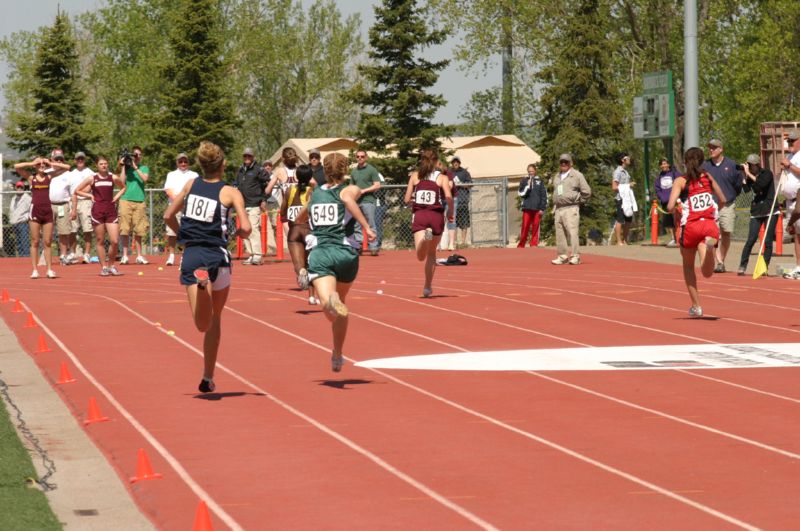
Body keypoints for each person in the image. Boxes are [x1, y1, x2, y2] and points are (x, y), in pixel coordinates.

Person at [164, 141, 251, 393]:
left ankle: (202, 286)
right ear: (223, 165)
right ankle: (207, 376)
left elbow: (168, 215)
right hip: (219, 257)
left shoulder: (191, 185)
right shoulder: (231, 192)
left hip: (192, 254)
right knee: (213, 320)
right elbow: (246, 229)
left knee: (201, 323)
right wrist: (236, 233)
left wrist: (184, 237)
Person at [301, 152, 376, 372]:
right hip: (346, 253)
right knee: (341, 305)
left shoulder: (315, 195)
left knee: (328, 306)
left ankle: (329, 301)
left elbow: (300, 218)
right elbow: (347, 197)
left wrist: (299, 224)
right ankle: (337, 354)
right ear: (345, 170)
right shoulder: (349, 188)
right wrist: (366, 226)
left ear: (324, 170)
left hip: (322, 253)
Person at [667, 147, 725, 317]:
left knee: (688, 266)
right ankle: (708, 248)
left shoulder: (681, 181)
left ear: (685, 162)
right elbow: (722, 199)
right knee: (707, 273)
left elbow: (670, 206)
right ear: (702, 162)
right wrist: (714, 211)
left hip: (690, 226)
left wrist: (678, 206)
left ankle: (696, 306)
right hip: (709, 225)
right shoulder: (707, 177)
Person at [404, 148, 454, 298]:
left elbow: (406, 200)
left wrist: (414, 198)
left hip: (420, 215)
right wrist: (450, 212)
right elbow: (449, 197)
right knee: (431, 254)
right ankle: (427, 287)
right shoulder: (442, 178)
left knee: (420, 256)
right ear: (437, 162)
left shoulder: (415, 176)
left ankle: (424, 240)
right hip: (436, 216)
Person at [14, 155, 71, 278]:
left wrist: (49, 163)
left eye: (43, 165)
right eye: (39, 165)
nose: (41, 166)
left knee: (47, 241)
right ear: (35, 166)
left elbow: (67, 167)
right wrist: (31, 162)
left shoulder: (49, 176)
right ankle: (35, 270)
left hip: (47, 211)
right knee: (35, 241)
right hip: (35, 211)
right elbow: (16, 167)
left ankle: (49, 269)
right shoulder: (31, 178)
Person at [74, 156, 127, 276]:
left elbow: (123, 187)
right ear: (97, 166)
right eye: (101, 164)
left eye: (105, 163)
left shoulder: (112, 177)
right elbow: (77, 190)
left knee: (114, 240)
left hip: (110, 210)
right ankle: (104, 267)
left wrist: (115, 198)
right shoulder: (92, 178)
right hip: (97, 211)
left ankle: (111, 265)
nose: (104, 165)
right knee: (100, 240)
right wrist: (90, 196)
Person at [701, 139, 742, 272]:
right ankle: (716, 261)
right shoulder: (705, 166)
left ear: (721, 149)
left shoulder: (731, 165)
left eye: (714, 148)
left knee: (726, 233)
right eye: (710, 148)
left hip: (728, 205)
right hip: (711, 207)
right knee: (712, 235)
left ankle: (721, 260)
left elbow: (738, 185)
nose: (711, 150)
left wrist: (730, 197)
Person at [281, 164, 318, 304]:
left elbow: (283, 211)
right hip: (309, 230)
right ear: (310, 177)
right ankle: (312, 296)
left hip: (294, 230)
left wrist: (288, 222)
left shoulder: (289, 189)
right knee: (312, 265)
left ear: (296, 176)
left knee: (300, 266)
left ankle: (300, 272)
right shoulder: (313, 191)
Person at [737, 154, 777, 276]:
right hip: (756, 210)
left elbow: (761, 185)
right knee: (751, 239)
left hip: (770, 209)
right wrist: (744, 177)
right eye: (747, 164)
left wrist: (749, 174)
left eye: (750, 165)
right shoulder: (750, 175)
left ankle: (764, 266)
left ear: (756, 164)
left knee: (768, 240)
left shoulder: (767, 173)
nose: (748, 167)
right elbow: (748, 190)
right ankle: (743, 265)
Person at [550, 154, 592, 265]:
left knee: (572, 233)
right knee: (560, 234)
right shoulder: (557, 176)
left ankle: (575, 256)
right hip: (558, 209)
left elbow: (587, 191)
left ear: (571, 163)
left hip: (571, 208)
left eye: (566, 162)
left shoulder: (577, 175)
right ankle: (562, 256)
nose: (563, 164)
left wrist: (578, 200)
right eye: (561, 162)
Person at [163, 153, 199, 266]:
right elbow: (168, 190)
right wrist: (178, 202)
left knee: (188, 231)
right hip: (174, 206)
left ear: (188, 162)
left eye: (185, 161)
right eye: (181, 161)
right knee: (172, 232)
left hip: (190, 206)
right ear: (177, 163)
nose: (183, 163)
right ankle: (171, 256)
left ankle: (185, 255)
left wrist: (186, 202)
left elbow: (197, 190)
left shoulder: (194, 175)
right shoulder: (171, 174)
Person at [234, 147, 269, 265]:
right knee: (245, 229)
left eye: (249, 156)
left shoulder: (259, 169)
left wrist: (264, 199)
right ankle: (251, 254)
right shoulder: (240, 170)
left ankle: (258, 255)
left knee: (253, 228)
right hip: (242, 204)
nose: (247, 158)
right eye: (245, 156)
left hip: (254, 203)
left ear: (253, 157)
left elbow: (267, 185)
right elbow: (236, 184)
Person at [117, 146, 150, 265]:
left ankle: (139, 255)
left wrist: (135, 167)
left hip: (139, 200)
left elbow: (145, 179)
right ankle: (125, 255)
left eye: (138, 155)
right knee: (124, 228)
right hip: (125, 199)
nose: (136, 157)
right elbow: (120, 182)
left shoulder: (144, 168)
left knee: (139, 229)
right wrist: (123, 166)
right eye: (134, 155)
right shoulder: (126, 168)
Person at [48, 148, 81, 265]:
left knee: (64, 232)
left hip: (63, 205)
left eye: (61, 159)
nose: (59, 161)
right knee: (47, 232)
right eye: (56, 159)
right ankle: (45, 255)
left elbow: (73, 194)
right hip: (49, 205)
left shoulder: (69, 174)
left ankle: (63, 255)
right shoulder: (48, 172)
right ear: (51, 159)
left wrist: (74, 209)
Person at [265, 147, 299, 256]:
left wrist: (279, 186)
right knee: (302, 233)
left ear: (282, 159)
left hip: (287, 208)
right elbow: (314, 184)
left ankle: (296, 259)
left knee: (290, 236)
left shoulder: (279, 171)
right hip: (300, 207)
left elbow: (267, 190)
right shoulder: (301, 170)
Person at [349, 149, 382, 256]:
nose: (360, 158)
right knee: (357, 225)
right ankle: (358, 246)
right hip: (356, 202)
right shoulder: (354, 171)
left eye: (362, 156)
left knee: (371, 224)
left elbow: (377, 185)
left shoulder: (371, 170)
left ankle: (373, 246)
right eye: (358, 156)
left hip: (368, 201)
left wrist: (363, 190)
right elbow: (351, 186)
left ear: (366, 157)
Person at [779, 130, 800, 279]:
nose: (790, 144)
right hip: (789, 201)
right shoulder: (790, 156)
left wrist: (789, 166)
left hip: (798, 200)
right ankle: (799, 266)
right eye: (789, 141)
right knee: (796, 235)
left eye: (793, 141)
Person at [68, 152, 96, 263]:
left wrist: (78, 192)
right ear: (75, 160)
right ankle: (73, 254)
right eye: (78, 159)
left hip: (86, 202)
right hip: (73, 202)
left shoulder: (90, 172)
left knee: (87, 229)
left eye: (82, 159)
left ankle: (87, 254)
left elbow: (89, 187)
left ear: (84, 160)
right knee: (72, 229)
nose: (80, 160)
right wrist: (73, 196)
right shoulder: (71, 174)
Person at [517, 163, 547, 247]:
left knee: (536, 226)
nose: (531, 173)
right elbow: (520, 193)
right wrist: (527, 186)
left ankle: (533, 244)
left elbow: (544, 195)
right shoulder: (524, 180)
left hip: (537, 209)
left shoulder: (540, 181)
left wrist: (542, 208)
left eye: (532, 171)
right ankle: (521, 244)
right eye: (529, 171)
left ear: (535, 171)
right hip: (527, 208)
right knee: (525, 226)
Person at [610, 153, 636, 245]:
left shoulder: (626, 172)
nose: (629, 159)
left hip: (627, 199)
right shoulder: (618, 172)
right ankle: (619, 241)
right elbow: (614, 187)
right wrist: (629, 185)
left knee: (628, 219)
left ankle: (625, 240)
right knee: (620, 219)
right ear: (622, 160)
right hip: (620, 199)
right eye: (627, 158)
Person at [654, 158, 680, 246]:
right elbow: (657, 189)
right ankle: (673, 238)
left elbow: (681, 182)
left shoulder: (674, 174)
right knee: (669, 221)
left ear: (668, 164)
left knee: (677, 219)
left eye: (665, 164)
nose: (664, 166)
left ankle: (679, 237)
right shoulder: (659, 177)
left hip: (675, 200)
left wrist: (677, 196)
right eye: (662, 164)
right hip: (665, 202)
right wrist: (662, 197)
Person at [451, 156, 473, 248]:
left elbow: (470, 184)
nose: (455, 163)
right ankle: (454, 242)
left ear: (459, 163)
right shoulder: (449, 172)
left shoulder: (464, 172)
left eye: (457, 162)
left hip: (463, 201)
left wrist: (461, 184)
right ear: (452, 163)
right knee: (453, 222)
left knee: (464, 222)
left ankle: (463, 242)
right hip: (452, 201)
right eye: (454, 162)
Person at [9, 181, 31, 257]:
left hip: (23, 223)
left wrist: (26, 217)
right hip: (15, 223)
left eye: (21, 187)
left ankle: (26, 259)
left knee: (24, 243)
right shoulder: (13, 198)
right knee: (18, 244)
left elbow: (31, 210)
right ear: (15, 188)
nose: (19, 189)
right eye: (18, 187)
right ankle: (21, 259)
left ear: (23, 188)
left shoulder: (27, 198)